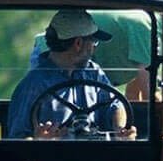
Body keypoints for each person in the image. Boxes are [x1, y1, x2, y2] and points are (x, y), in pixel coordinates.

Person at [28, 0, 163, 161]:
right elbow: (151, 95)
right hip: (55, 56)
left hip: (85, 74)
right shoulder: (148, 31)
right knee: (58, 129)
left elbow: (135, 97)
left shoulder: (154, 40)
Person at [7, 9, 134, 139]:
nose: (95, 47)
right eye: (94, 41)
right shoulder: (33, 85)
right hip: (54, 157)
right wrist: (40, 140)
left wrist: (120, 130)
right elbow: (17, 138)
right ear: (78, 43)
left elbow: (116, 104)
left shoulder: (93, 72)